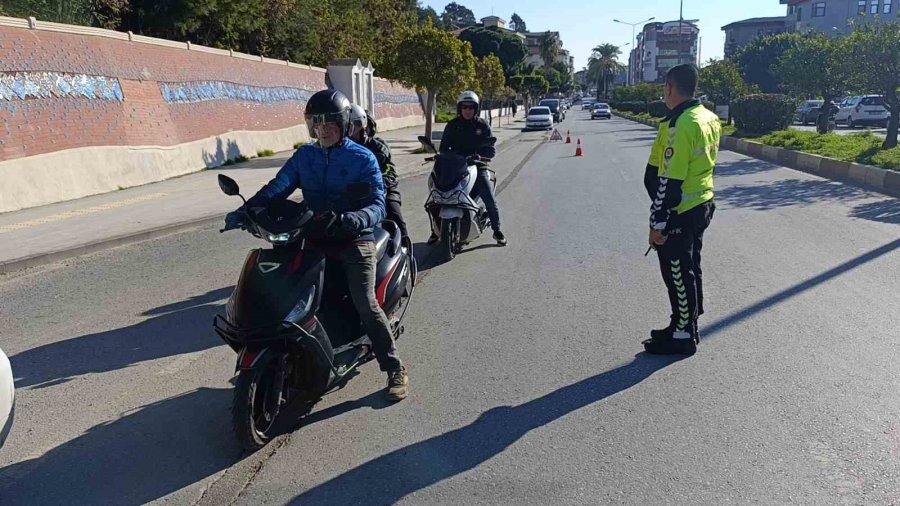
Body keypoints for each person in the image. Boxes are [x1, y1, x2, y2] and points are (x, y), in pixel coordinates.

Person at [224, 89, 409, 400]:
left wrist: (352, 219)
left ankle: (394, 368)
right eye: (317, 124)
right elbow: (277, 188)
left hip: (353, 239)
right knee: (282, 289)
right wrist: (247, 210)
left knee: (365, 302)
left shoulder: (363, 158)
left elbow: (378, 205)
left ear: (344, 125)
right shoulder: (304, 157)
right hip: (312, 235)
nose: (323, 130)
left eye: (330, 124)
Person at [642, 64, 720, 356]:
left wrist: (657, 223)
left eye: (665, 87)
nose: (664, 92)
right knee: (690, 266)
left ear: (671, 88)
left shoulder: (683, 123)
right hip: (702, 203)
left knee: (677, 271)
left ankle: (683, 334)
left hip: (682, 208)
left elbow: (670, 181)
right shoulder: (707, 117)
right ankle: (686, 322)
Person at [429, 90, 507, 246]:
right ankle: (435, 230)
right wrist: (441, 155)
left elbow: (491, 148)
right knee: (435, 194)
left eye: (471, 107)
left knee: (488, 197)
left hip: (477, 166)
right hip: (455, 167)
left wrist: (480, 156)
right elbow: (444, 148)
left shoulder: (482, 125)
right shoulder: (452, 126)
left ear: (476, 109)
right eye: (464, 107)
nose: (467, 110)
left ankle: (497, 230)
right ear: (459, 108)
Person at [348, 104, 408, 240]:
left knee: (394, 212)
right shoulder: (340, 149)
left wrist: (378, 183)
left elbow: (390, 171)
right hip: (351, 192)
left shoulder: (377, 147)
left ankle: (405, 247)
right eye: (349, 126)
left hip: (383, 190)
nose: (351, 131)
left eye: (356, 125)